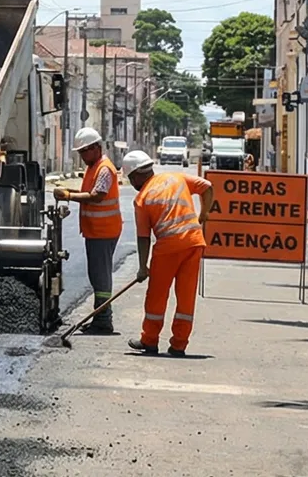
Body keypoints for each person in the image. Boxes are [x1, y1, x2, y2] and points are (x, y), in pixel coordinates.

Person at [125, 150, 214, 357]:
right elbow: (207, 187)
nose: (131, 182)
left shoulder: (142, 198)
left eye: (130, 178)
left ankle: (149, 340)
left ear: (137, 175)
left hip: (168, 248)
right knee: (186, 296)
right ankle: (179, 344)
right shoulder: (176, 177)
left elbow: (143, 237)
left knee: (157, 295)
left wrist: (142, 267)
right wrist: (204, 213)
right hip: (194, 242)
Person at [66, 127, 122, 334]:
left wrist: (69, 197)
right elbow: (87, 192)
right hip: (96, 231)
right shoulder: (93, 166)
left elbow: (97, 195)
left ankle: (104, 320)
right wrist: (69, 192)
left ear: (96, 148)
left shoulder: (104, 168)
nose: (82, 156)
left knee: (101, 277)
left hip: (104, 231)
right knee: (97, 275)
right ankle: (100, 316)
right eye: (80, 152)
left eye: (84, 151)